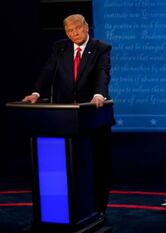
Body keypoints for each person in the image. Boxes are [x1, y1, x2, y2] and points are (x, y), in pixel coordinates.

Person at [22, 14, 113, 215]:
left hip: (91, 116)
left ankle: (98, 208)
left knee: (97, 163)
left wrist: (99, 94)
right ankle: (67, 208)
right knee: (66, 165)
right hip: (63, 118)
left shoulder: (101, 48)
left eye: (77, 29)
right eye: (69, 31)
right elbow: (48, 71)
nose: (73, 34)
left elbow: (102, 73)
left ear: (86, 27)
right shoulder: (60, 47)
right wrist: (36, 93)